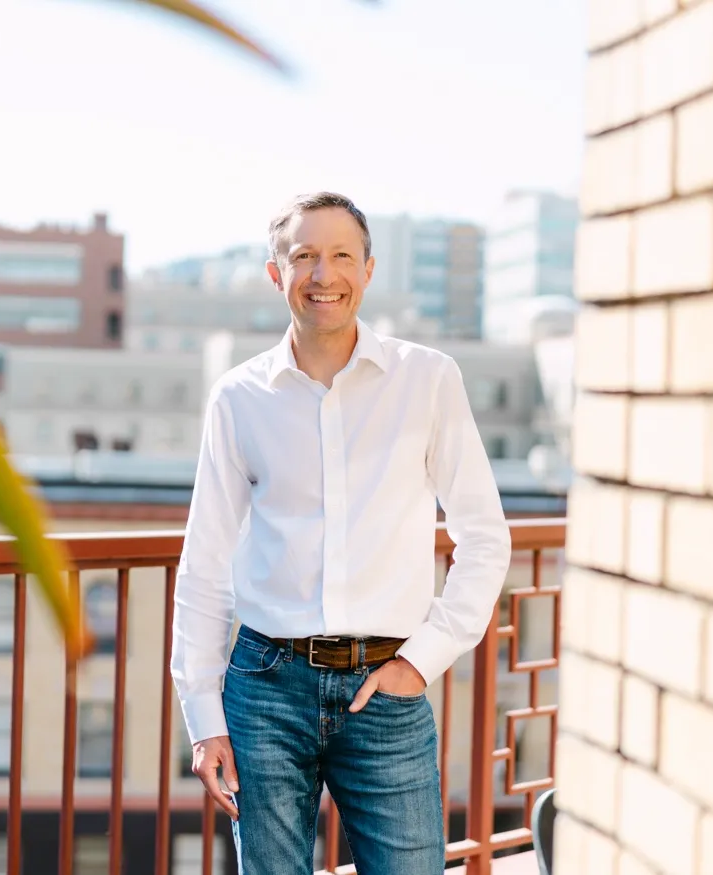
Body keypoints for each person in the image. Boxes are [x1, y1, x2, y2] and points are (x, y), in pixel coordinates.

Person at [169, 192, 512, 875]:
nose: (323, 274)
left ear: (368, 269)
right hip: (264, 686)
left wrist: (421, 660)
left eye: (340, 256)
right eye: (303, 257)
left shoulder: (427, 380)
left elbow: (483, 536)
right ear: (276, 275)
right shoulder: (238, 398)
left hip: (384, 689)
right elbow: (205, 563)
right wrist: (203, 716)